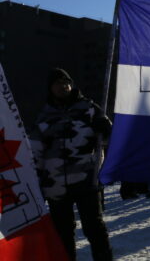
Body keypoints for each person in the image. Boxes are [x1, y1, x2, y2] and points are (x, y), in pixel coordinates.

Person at [28, 68, 113, 260]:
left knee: (95, 229)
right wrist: (37, 182)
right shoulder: (44, 117)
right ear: (50, 89)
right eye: (57, 83)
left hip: (87, 180)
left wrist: (106, 129)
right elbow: (34, 152)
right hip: (55, 185)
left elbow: (110, 139)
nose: (63, 86)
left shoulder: (89, 108)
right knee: (62, 234)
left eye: (66, 82)